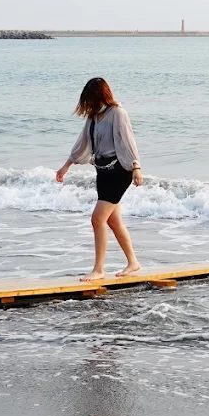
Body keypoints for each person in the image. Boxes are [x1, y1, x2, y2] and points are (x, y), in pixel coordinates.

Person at [54, 77, 143, 282]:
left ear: (100, 96)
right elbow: (83, 142)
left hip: (120, 171)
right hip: (102, 172)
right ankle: (133, 262)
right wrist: (66, 166)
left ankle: (99, 269)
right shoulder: (94, 117)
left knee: (97, 219)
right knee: (113, 220)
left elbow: (128, 140)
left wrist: (136, 167)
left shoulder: (118, 113)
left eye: (90, 99)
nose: (88, 105)